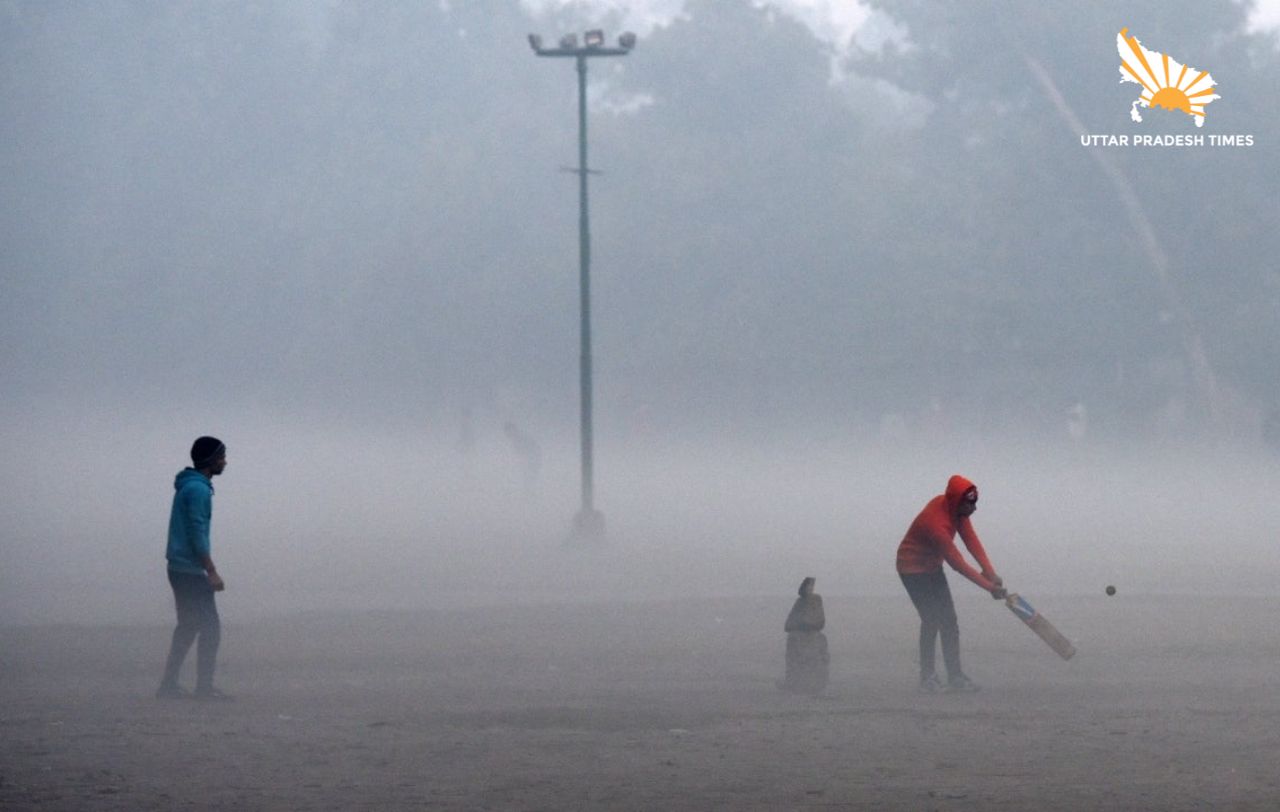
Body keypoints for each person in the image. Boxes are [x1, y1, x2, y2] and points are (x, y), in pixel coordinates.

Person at [896, 474, 1006, 694]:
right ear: (957, 501)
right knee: (932, 620)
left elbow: (971, 541)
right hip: (911, 569)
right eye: (970, 505)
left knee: (949, 621)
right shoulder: (935, 523)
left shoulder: (957, 510)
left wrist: (990, 572)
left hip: (932, 566)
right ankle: (927, 677)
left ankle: (955, 677)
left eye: (975, 504)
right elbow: (957, 563)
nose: (974, 510)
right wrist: (989, 587)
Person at [156, 436, 231, 700]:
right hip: (190, 570)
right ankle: (204, 688)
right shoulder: (198, 490)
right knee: (210, 627)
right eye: (221, 456)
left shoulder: (189, 486)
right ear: (210, 460)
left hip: (178, 567)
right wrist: (210, 570)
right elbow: (197, 532)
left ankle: (168, 685)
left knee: (188, 625)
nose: (225, 461)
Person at [778, 576, 829, 695]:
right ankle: (792, 681)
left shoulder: (817, 600)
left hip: (812, 635)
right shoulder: (800, 602)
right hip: (799, 635)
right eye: (808, 586)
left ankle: (816, 682)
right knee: (794, 639)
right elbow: (788, 624)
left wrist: (808, 624)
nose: (810, 589)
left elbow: (820, 621)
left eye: (812, 586)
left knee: (819, 641)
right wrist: (802, 624)